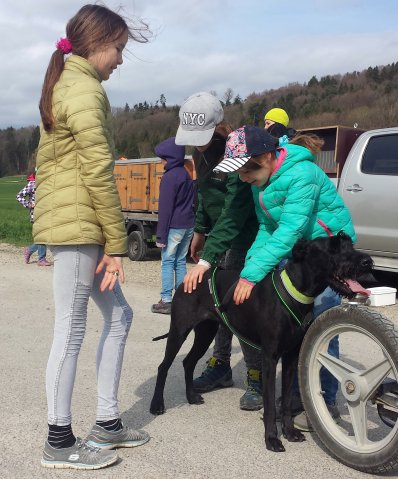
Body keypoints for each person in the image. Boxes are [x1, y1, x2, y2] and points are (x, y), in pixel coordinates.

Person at [33, 4, 151, 470]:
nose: (120, 60)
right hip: (80, 228)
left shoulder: (73, 84)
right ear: (97, 43)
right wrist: (117, 243)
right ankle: (58, 442)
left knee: (120, 314)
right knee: (71, 328)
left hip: (84, 225)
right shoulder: (82, 90)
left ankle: (106, 423)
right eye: (118, 49)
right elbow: (99, 172)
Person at [214, 125, 356, 431]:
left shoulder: (301, 174)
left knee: (321, 323)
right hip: (301, 250)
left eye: (245, 171)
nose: (243, 178)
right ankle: (293, 398)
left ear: (265, 157)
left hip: (327, 250)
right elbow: (267, 229)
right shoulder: (261, 184)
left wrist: (251, 277)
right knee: (291, 323)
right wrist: (249, 268)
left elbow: (290, 229)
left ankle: (325, 403)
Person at [175, 92, 263, 411]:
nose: (197, 144)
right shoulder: (199, 154)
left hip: (244, 238)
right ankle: (221, 365)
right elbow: (205, 195)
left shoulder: (235, 152)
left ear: (217, 126)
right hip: (216, 236)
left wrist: (210, 255)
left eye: (203, 137)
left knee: (240, 305)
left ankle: (256, 375)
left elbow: (233, 211)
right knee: (217, 304)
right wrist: (199, 231)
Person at [151, 137, 195, 315]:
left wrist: (160, 235)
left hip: (174, 226)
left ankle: (167, 300)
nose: (161, 161)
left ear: (170, 158)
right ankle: (183, 299)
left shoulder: (170, 177)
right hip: (188, 225)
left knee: (168, 262)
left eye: (163, 157)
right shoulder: (185, 174)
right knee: (181, 261)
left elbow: (166, 209)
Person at [16, 172, 51, 266]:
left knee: (44, 235)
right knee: (42, 235)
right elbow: (19, 196)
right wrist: (29, 204)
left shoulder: (46, 183)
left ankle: (29, 250)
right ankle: (41, 259)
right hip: (35, 214)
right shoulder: (32, 184)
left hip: (45, 213)